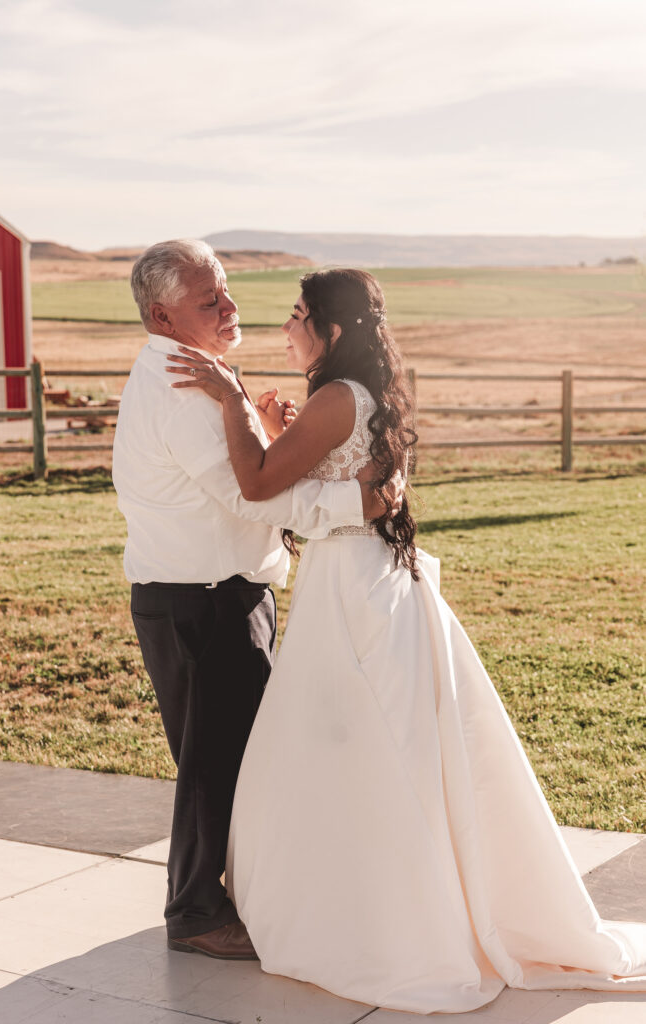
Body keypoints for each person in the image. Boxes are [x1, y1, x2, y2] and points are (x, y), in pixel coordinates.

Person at [165, 268, 646, 1014]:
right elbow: (315, 479)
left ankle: (377, 922)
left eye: (297, 315)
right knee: (374, 749)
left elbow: (258, 486)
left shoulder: (336, 399)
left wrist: (230, 401)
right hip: (366, 578)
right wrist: (268, 422)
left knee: (348, 748)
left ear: (328, 328)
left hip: (350, 593)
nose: (285, 326)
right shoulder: (359, 396)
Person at [112, 242, 391, 962]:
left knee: (230, 757)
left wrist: (256, 419)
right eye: (211, 300)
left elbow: (250, 475)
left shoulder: (191, 373)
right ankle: (196, 911)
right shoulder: (182, 386)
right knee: (214, 762)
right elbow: (251, 490)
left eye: (226, 290)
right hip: (202, 601)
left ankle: (229, 893)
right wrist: (356, 503)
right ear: (163, 314)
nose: (230, 307)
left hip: (211, 592)